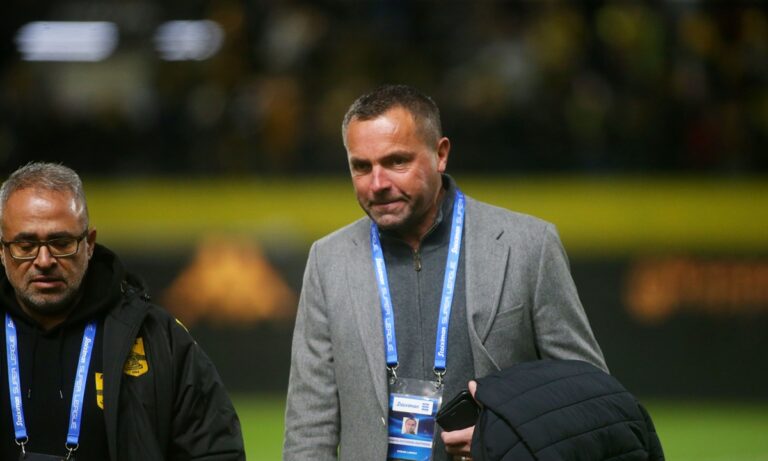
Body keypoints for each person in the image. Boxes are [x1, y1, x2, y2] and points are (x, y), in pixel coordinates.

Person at [283, 84, 606, 461]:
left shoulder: (528, 246)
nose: (378, 183)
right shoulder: (328, 260)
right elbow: (310, 424)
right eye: (361, 167)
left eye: (397, 161)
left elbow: (589, 398)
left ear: (440, 154)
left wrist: (505, 439)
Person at [0, 162, 245, 460]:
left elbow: (216, 451)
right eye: (25, 245)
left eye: (61, 243)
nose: (44, 260)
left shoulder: (158, 338)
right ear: (2, 250)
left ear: (89, 244)